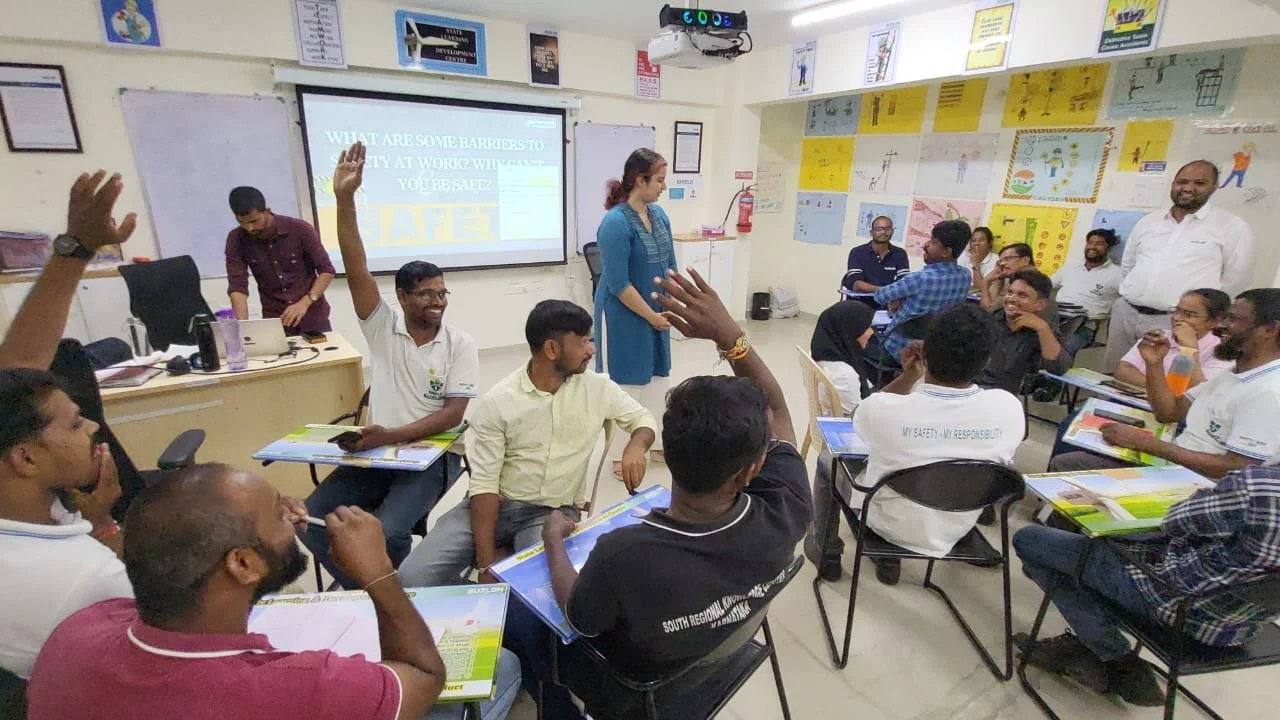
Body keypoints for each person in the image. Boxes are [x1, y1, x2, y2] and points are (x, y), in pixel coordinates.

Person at [512, 267, 810, 719]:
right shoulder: (788, 504)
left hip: (638, 689)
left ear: (668, 457)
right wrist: (732, 337)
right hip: (724, 659)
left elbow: (578, 615)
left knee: (518, 617)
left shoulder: (624, 553)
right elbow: (781, 409)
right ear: (752, 468)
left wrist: (553, 538)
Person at [26, 463, 519, 720]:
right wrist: (377, 573)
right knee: (503, 668)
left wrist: (103, 524)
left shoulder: (72, 636)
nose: (292, 512)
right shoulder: (307, 687)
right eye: (275, 514)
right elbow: (422, 673)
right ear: (242, 564)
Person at [299, 143, 477, 589]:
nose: (436, 302)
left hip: (434, 456)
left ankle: (385, 585)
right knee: (310, 519)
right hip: (379, 455)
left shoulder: (460, 343)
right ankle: (380, 589)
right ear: (401, 297)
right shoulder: (383, 329)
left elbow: (453, 416)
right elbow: (355, 264)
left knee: (387, 531)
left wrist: (388, 436)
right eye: (425, 294)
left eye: (441, 293)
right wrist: (344, 200)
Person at [397, 300, 657, 588]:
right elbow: (484, 487)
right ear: (552, 349)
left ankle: (510, 600)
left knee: (542, 589)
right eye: (582, 342)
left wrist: (637, 445)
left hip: (551, 513)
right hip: (492, 506)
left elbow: (642, 419)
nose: (591, 350)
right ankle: (488, 604)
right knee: (411, 578)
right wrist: (486, 564)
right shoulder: (499, 402)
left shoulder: (598, 389)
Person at [0, 170, 138, 680]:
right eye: (78, 422)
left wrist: (76, 247)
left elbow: (19, 373)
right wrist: (104, 528)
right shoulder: (88, 577)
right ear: (27, 457)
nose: (95, 429)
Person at [1013, 464, 1280, 708]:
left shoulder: (1255, 487)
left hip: (1171, 601)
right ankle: (1095, 645)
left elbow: (1176, 521)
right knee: (1087, 554)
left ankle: (1115, 658)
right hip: (1242, 626)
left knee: (1031, 541)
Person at [849, 304, 1024, 585]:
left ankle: (827, 552)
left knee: (828, 462)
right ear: (987, 361)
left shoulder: (884, 409)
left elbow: (857, 418)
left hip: (890, 524)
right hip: (959, 520)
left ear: (924, 353)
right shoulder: (1009, 408)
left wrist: (908, 376)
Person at [1049, 289, 1280, 479]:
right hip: (1173, 463)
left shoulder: (1268, 392)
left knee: (1069, 468)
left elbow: (1239, 468)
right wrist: (1154, 364)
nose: (1222, 327)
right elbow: (1167, 412)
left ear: (1270, 330)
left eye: (1234, 320)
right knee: (1074, 442)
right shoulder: (1234, 374)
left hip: (1196, 487)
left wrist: (1149, 444)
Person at [1103, 161, 1255, 373]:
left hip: (1177, 321)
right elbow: (1129, 265)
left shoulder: (1231, 227)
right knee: (1114, 375)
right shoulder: (1149, 221)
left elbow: (1235, 280)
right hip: (1127, 311)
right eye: (1182, 182)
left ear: (1214, 186)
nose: (1188, 188)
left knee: (1164, 383)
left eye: (1199, 183)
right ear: (1173, 184)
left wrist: (1202, 317)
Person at [594, 148, 677, 456]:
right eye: (659, 180)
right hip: (623, 315)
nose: (663, 186)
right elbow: (619, 285)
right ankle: (620, 454)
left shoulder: (659, 215)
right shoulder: (615, 224)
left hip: (656, 311)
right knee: (626, 382)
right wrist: (652, 316)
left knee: (657, 376)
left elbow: (671, 266)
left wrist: (672, 306)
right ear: (639, 180)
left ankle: (654, 443)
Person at [803, 301, 875, 581]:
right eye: (865, 327)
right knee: (828, 465)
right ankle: (830, 544)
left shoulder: (828, 357)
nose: (870, 333)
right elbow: (860, 420)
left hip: (839, 435)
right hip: (854, 455)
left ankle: (824, 543)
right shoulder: (844, 376)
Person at [225, 186, 335, 335]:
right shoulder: (236, 239)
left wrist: (305, 302)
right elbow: (237, 287)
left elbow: (326, 271)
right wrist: (243, 329)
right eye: (242, 222)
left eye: (254, 221)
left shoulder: (300, 230)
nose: (249, 228)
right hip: (276, 323)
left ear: (266, 211)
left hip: (313, 319)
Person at [872, 220, 973, 361]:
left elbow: (879, 296)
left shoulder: (919, 279)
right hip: (933, 351)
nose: (926, 245)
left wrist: (899, 297)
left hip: (898, 350)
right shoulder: (965, 276)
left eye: (933, 242)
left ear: (946, 252)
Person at [1113, 288, 1234, 390]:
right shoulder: (1160, 336)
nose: (1176, 318)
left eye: (1189, 315)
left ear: (1215, 321)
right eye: (1176, 311)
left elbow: (1192, 391)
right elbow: (1123, 371)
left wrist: (1189, 348)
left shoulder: (1221, 351)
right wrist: (1161, 390)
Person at [976, 269, 1072, 396]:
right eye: (1010, 292)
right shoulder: (988, 320)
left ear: (1040, 304)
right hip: (969, 388)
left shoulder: (1040, 330)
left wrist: (1043, 328)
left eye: (1022, 295)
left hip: (1002, 397)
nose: (1012, 299)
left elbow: (1058, 368)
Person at [1051, 229, 1124, 320]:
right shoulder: (1070, 267)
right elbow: (1047, 285)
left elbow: (1129, 299)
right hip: (1056, 316)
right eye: (1090, 242)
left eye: (1099, 244)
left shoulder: (1117, 274)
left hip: (1086, 323)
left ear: (1109, 248)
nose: (1092, 247)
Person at [843, 215, 909, 294]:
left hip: (889, 303)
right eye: (879, 229)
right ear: (871, 232)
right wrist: (886, 291)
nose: (883, 232)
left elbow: (904, 283)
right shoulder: (857, 252)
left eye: (887, 229)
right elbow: (857, 284)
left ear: (892, 231)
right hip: (861, 303)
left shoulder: (900, 254)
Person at [980, 243, 1035, 311]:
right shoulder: (1012, 280)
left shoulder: (1027, 281)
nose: (1002, 264)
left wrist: (985, 283)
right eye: (1000, 261)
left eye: (1007, 259)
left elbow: (988, 311)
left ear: (1025, 260)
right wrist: (999, 278)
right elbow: (992, 306)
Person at [959, 227, 998, 292]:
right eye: (973, 241)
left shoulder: (996, 260)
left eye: (981, 240)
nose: (977, 243)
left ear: (990, 243)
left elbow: (980, 288)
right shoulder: (964, 256)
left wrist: (976, 264)